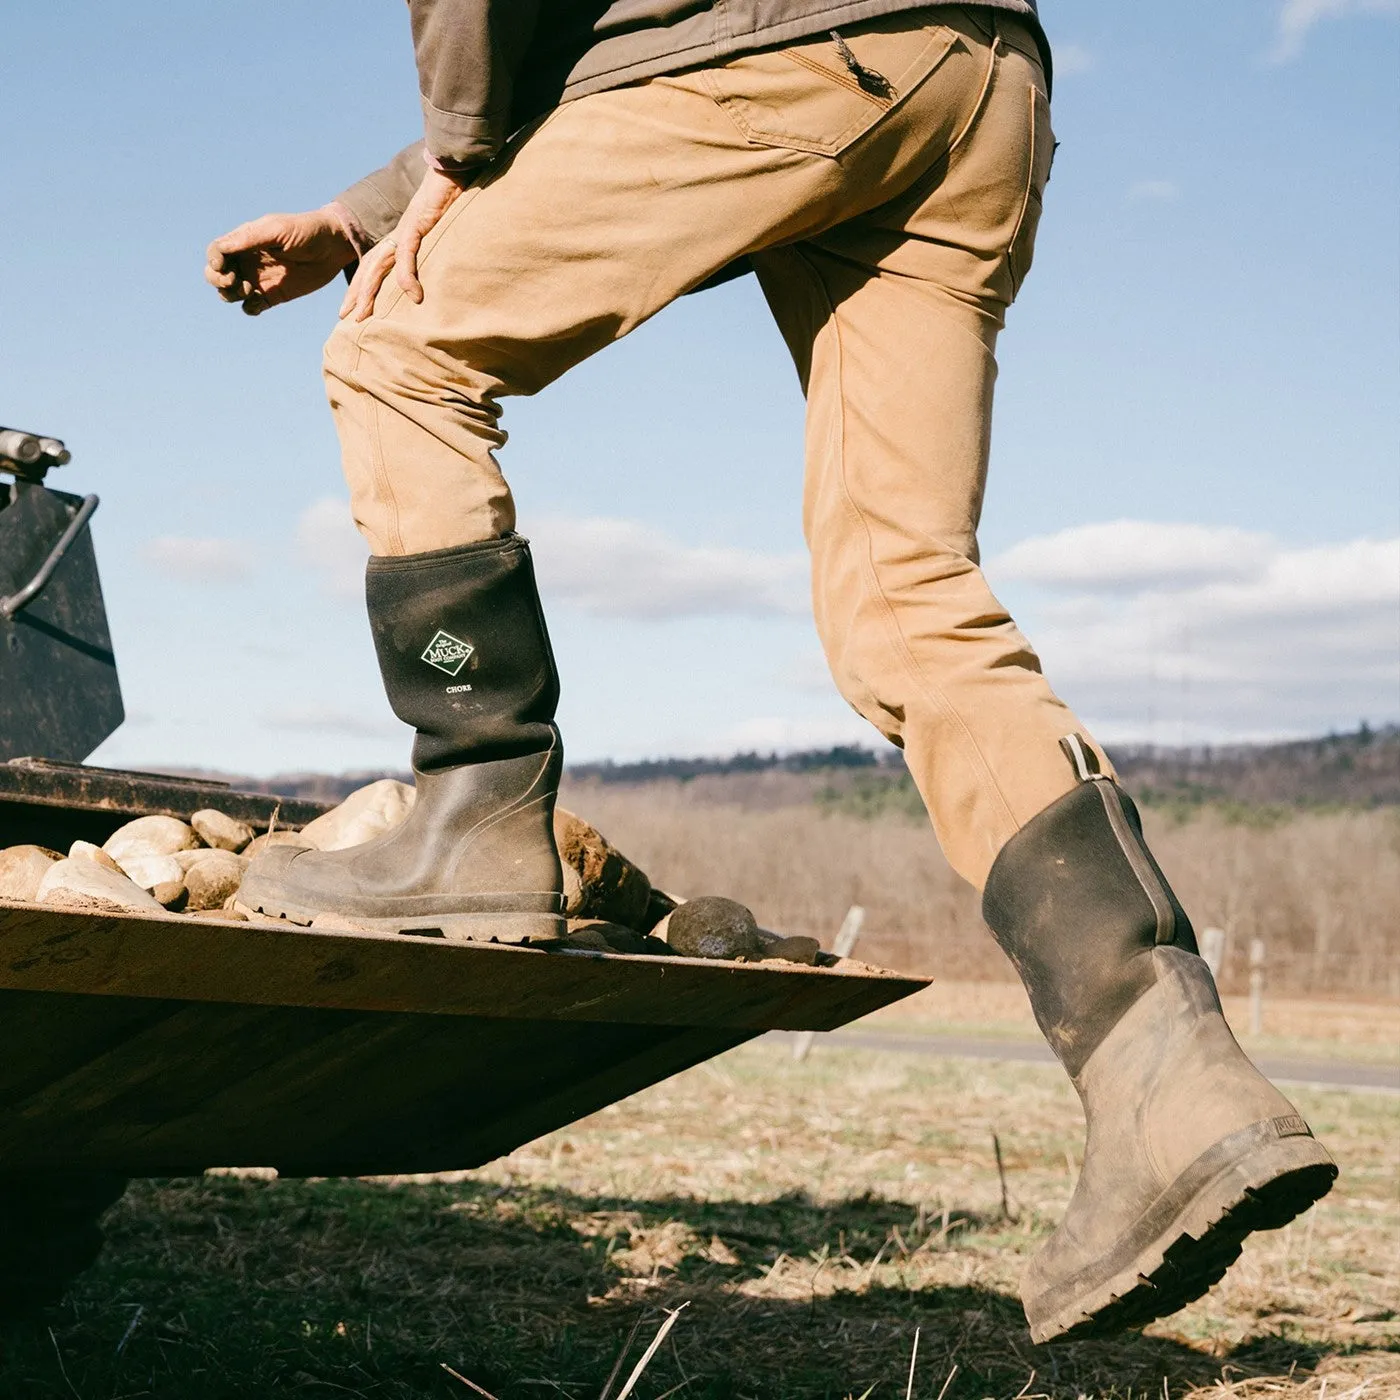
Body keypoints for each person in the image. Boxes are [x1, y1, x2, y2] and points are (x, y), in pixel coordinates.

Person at [205, 1, 1335, 1344]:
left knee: (397, 350)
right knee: (905, 593)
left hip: (789, 56)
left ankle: (473, 808)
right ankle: (1171, 1077)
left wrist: (443, 167)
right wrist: (365, 207)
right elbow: (594, 40)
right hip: (979, 79)